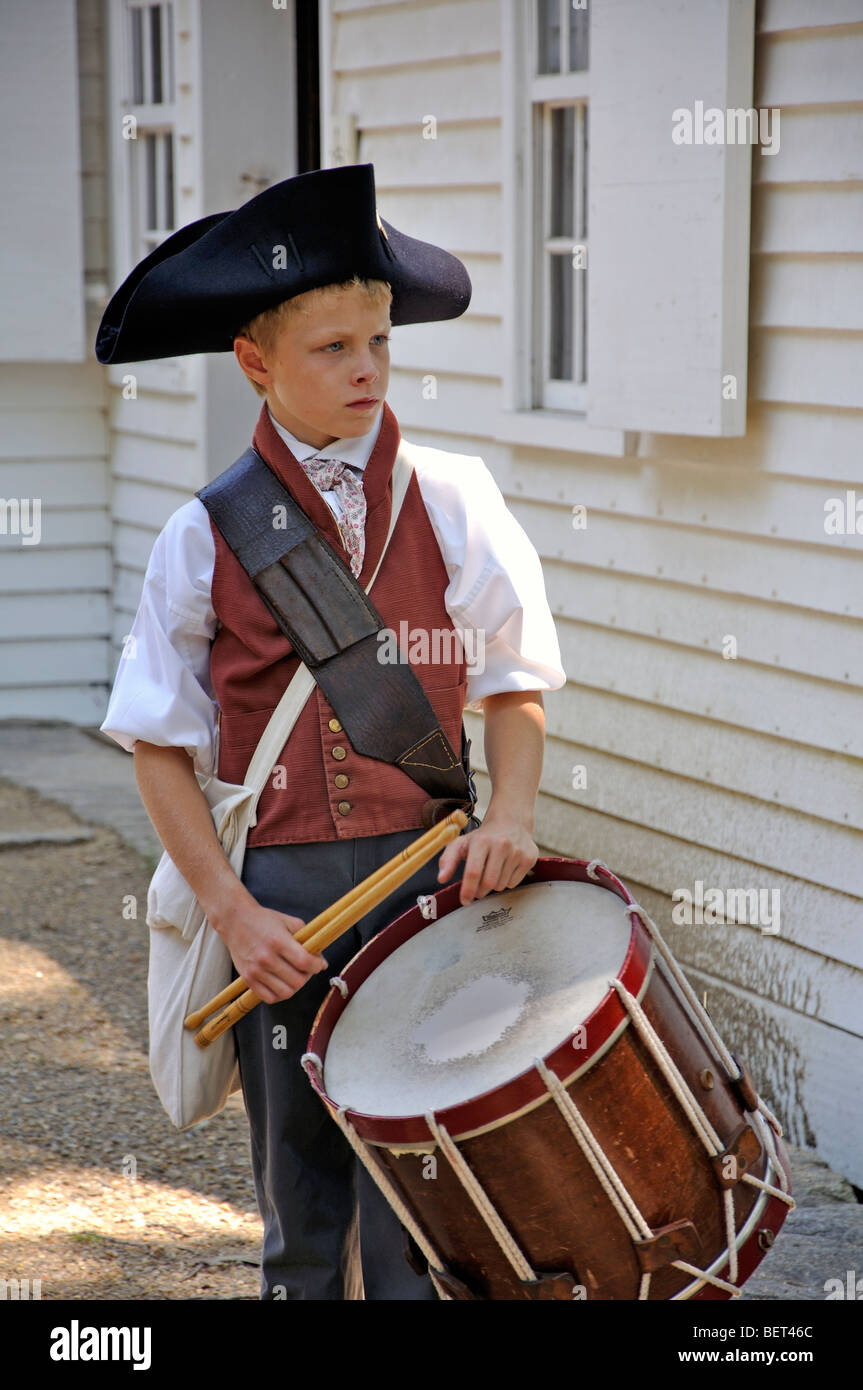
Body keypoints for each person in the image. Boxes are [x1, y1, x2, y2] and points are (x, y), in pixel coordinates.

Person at [97, 163, 566, 1299]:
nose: (365, 368)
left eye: (378, 342)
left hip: (428, 889)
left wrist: (505, 814)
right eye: (331, 349)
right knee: (300, 1210)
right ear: (254, 362)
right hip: (284, 901)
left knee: (422, 1198)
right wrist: (233, 911)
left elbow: (511, 684)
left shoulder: (454, 497)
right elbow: (158, 743)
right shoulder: (199, 534)